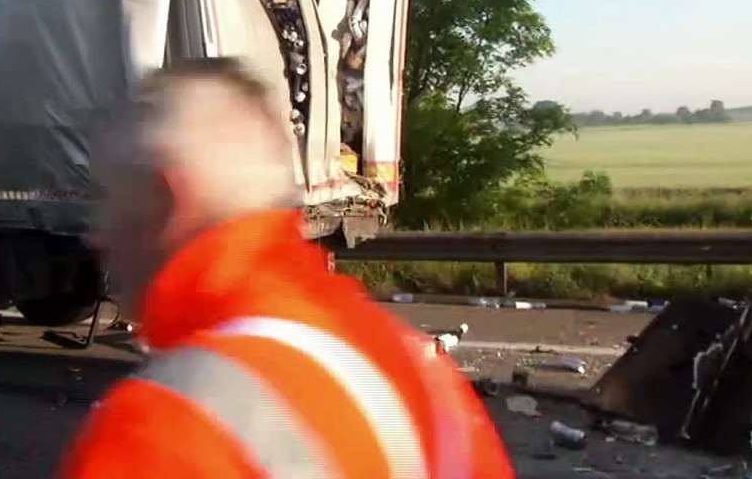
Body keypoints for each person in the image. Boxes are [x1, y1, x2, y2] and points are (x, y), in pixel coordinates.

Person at [60, 58, 515, 479]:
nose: (95, 235)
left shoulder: (162, 429)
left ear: (163, 201)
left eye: (107, 198)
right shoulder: (418, 372)